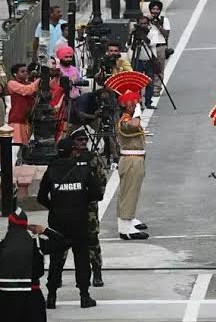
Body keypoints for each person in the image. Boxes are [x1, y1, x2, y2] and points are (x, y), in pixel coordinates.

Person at [37, 138, 101, 309]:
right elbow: (97, 194)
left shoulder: (51, 171)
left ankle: (51, 297)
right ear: (72, 151)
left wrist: (55, 207)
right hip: (79, 222)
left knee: (56, 260)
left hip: (58, 222)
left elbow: (41, 197)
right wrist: (82, 202)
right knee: (82, 259)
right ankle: (84, 296)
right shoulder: (83, 170)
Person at [0, 208, 68, 322]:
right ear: (25, 225)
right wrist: (44, 230)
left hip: (5, 298)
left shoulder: (2, 246)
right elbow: (64, 242)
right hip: (32, 297)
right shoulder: (37, 244)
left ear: (9, 226)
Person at [115, 88, 150, 240]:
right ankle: (125, 228)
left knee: (131, 191)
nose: (137, 105)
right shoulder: (125, 121)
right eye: (135, 103)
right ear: (128, 106)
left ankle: (129, 219)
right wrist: (137, 113)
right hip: (131, 160)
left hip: (135, 159)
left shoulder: (128, 118)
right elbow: (134, 125)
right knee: (129, 193)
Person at [8, 63, 40, 145]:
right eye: (22, 71)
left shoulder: (28, 83)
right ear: (15, 74)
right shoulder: (11, 83)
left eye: (26, 71)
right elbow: (26, 90)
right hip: (17, 120)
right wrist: (38, 81)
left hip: (27, 120)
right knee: (17, 146)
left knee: (25, 147)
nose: (26, 73)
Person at [129, 16, 156, 109]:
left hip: (149, 60)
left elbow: (151, 43)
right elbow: (129, 45)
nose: (143, 25)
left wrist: (143, 35)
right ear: (138, 24)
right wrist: (132, 34)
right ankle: (138, 103)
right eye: (141, 24)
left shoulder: (152, 32)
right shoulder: (135, 33)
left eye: (145, 23)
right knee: (137, 83)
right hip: (138, 60)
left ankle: (148, 102)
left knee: (150, 82)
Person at [147, 0, 172, 97]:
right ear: (150, 10)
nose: (155, 11)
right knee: (149, 68)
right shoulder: (146, 20)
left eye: (157, 9)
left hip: (161, 46)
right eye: (153, 9)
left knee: (159, 69)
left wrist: (157, 24)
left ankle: (156, 89)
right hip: (149, 46)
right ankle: (149, 88)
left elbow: (166, 34)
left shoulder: (164, 20)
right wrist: (147, 21)